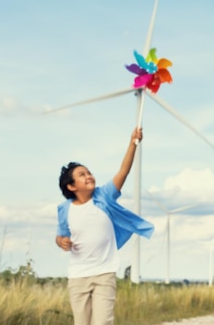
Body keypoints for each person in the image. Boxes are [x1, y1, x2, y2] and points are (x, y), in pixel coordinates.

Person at [55, 127, 154, 325]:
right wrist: (62, 242)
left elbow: (123, 172)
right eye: (82, 175)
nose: (89, 175)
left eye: (89, 172)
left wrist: (133, 143)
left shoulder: (104, 196)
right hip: (78, 276)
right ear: (71, 186)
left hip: (104, 273)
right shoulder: (65, 209)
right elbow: (61, 234)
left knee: (102, 322)